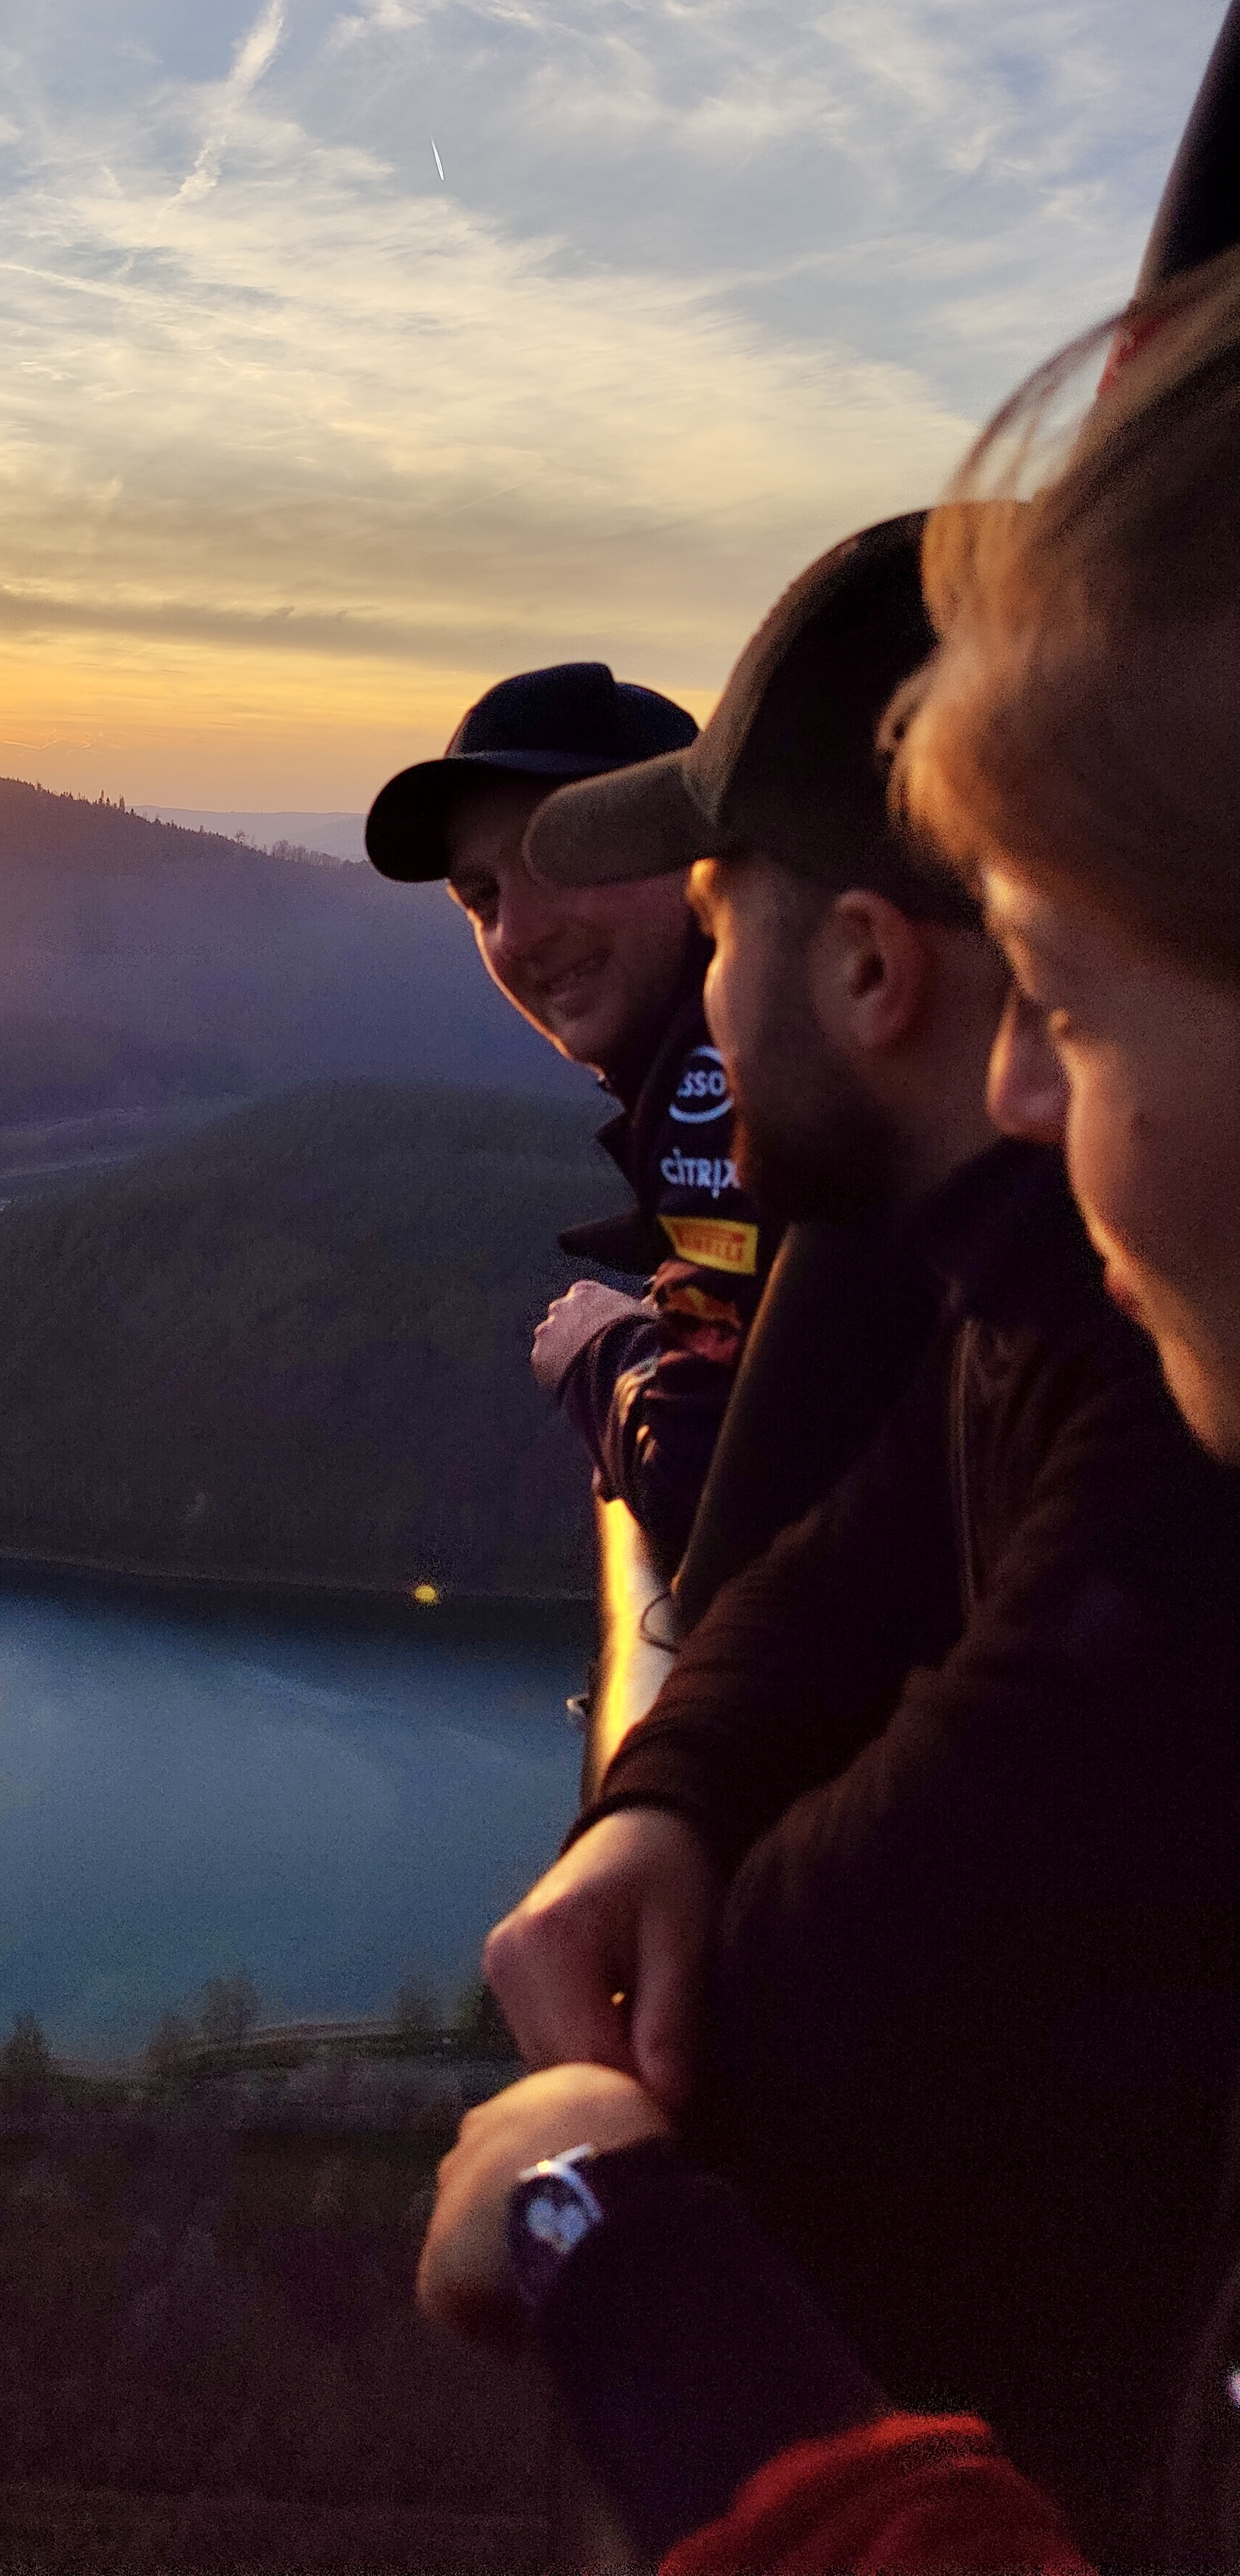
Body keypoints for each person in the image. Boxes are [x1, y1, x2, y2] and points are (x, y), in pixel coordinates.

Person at [415, 255, 1240, 2575]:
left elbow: (823, 1994)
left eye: (1062, 992)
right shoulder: (1023, 1323)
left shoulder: (1157, 1453)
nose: (1012, 1095)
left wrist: (603, 2227)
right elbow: (863, 1542)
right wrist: (667, 1790)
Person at [366, 663, 776, 1571]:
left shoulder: (723, 1077)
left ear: (702, 859)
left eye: (560, 858)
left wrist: (601, 1348)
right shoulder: (747, 1052)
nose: (515, 932)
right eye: (483, 899)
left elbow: (697, 1478)